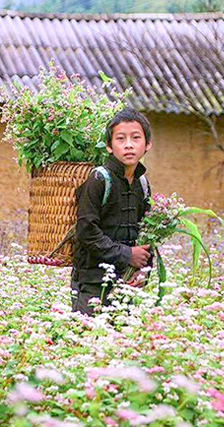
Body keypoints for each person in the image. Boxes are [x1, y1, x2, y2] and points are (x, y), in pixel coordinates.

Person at [70, 107, 154, 316]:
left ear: (147, 144)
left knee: (120, 344)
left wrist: (144, 269)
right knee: (87, 340)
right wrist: (127, 255)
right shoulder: (98, 180)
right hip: (91, 283)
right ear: (109, 146)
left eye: (136, 138)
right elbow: (86, 232)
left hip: (126, 282)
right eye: (120, 139)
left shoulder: (142, 184)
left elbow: (149, 231)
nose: (128, 145)